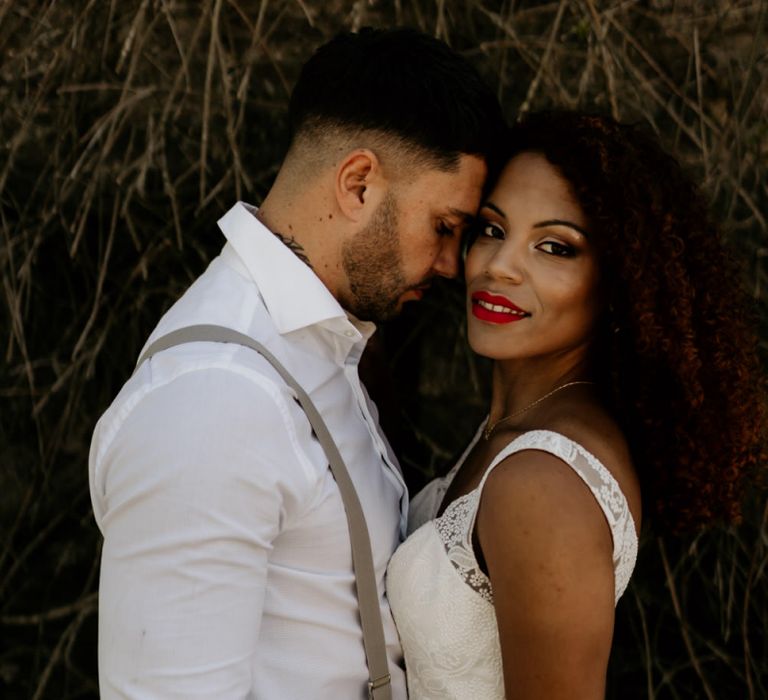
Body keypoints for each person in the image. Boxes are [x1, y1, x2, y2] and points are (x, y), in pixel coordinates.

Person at [88, 27, 506, 699]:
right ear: (359, 184)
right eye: (444, 227)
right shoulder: (214, 399)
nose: (454, 265)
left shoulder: (320, 344)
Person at [386, 111, 766, 699]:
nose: (499, 266)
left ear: (620, 286)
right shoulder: (518, 429)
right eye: (491, 229)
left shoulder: (542, 482)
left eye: (555, 247)